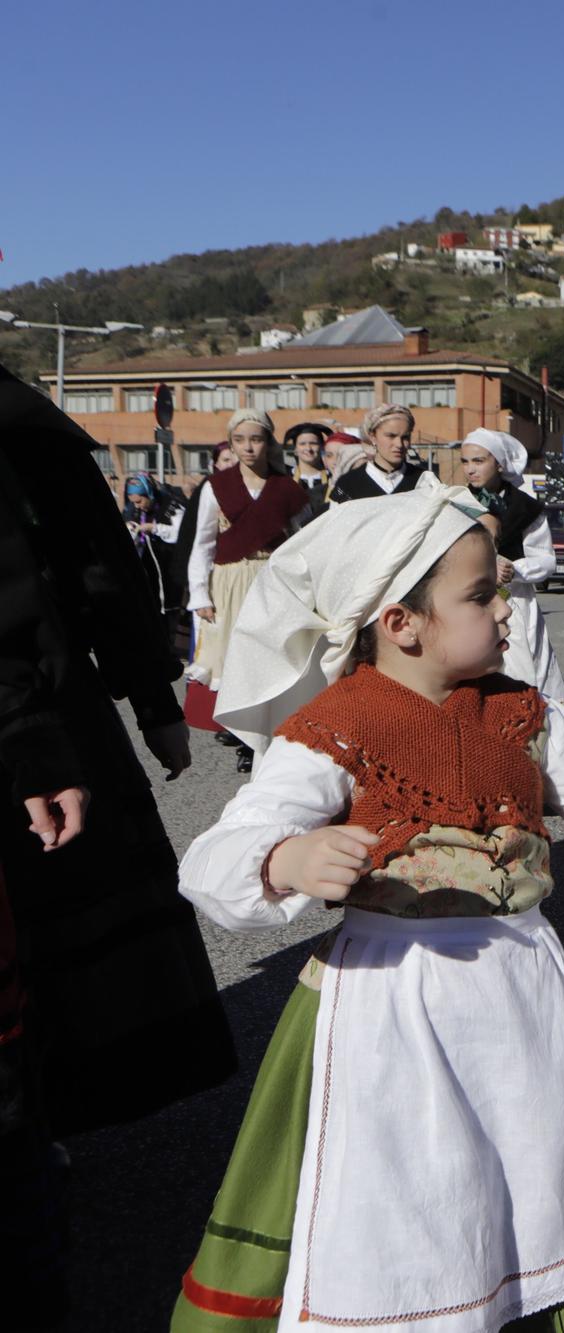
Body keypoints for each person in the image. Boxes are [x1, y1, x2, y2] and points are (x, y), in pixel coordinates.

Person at [171, 481, 564, 1332]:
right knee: (417, 1187)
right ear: (401, 622)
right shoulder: (339, 722)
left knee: (544, 1161)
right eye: (482, 593)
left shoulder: (526, 714)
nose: (506, 609)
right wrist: (288, 857)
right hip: (390, 1000)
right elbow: (215, 856)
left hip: (522, 988)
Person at [0, 366, 229, 1326]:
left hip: (34, 716)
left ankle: (38, 1130)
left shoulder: (17, 417)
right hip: (31, 723)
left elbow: (88, 563)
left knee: (51, 941)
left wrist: (150, 697)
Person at [186, 408, 312, 771]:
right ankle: (237, 728)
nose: (247, 447)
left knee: (267, 655)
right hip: (229, 579)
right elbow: (203, 544)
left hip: (270, 580)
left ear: (267, 442)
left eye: (255, 439)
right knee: (229, 654)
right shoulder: (217, 486)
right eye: (239, 440)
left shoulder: (286, 488)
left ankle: (263, 731)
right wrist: (200, 594)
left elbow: (302, 539)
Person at [458, 428, 563, 699]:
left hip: (515, 600)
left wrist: (514, 569)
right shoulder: (455, 502)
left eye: (478, 461)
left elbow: (546, 560)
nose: (470, 469)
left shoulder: (526, 507)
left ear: (500, 463)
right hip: (465, 599)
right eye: (465, 461)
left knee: (524, 666)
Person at [123, 473, 189, 629]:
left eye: (139, 501)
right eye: (134, 502)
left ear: (150, 494)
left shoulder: (172, 506)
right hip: (149, 571)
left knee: (170, 612)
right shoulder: (135, 510)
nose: (137, 506)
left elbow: (180, 533)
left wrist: (155, 528)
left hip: (170, 570)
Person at [327, 402, 429, 502]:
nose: (399, 444)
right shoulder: (347, 485)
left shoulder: (425, 481)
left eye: (405, 437)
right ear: (373, 437)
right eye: (391, 436)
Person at [284, 421, 333, 515]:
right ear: (295, 449)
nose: (308, 448)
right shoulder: (285, 478)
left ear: (322, 447)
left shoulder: (333, 479)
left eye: (313, 443)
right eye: (302, 444)